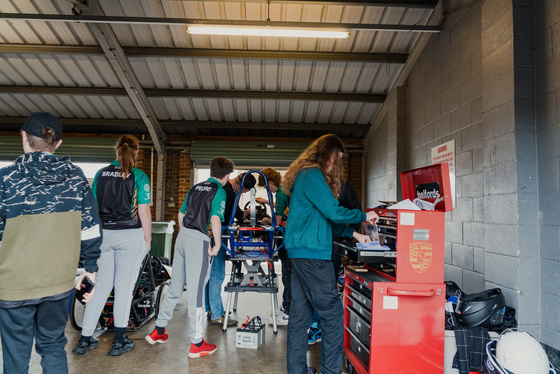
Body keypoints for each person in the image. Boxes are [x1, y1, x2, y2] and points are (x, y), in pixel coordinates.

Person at [0, 112, 102, 373]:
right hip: (59, 283)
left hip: (14, 286)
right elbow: (90, 230)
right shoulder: (77, 178)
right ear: (57, 144)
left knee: (16, 352)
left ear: (24, 137)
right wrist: (89, 272)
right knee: (53, 345)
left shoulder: (6, 179)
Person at [283, 134, 379, 374]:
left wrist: (355, 235)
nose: (338, 164)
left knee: (300, 315)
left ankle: (297, 371)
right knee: (333, 314)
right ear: (329, 154)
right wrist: (363, 216)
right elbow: (333, 211)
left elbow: (326, 219)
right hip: (313, 255)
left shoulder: (304, 176)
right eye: (338, 157)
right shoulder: (312, 175)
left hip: (300, 253)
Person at [146, 156, 234, 358]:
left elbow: (180, 214)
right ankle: (196, 343)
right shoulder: (218, 191)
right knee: (196, 292)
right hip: (198, 241)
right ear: (227, 176)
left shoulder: (196, 187)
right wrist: (217, 244)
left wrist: (185, 231)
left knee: (175, 287)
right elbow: (214, 219)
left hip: (183, 237)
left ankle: (159, 330)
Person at [73, 134, 152, 357]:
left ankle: (85, 339)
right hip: (130, 235)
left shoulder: (100, 174)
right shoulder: (139, 176)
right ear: (136, 152)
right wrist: (147, 240)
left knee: (100, 289)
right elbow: (144, 212)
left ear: (116, 150)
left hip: (104, 235)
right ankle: (118, 340)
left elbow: (93, 209)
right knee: (124, 289)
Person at [308, 180, 362, 345]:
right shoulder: (316, 185)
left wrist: (347, 234)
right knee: (315, 287)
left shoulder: (343, 187)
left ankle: (320, 328)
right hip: (314, 245)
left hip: (333, 243)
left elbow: (355, 210)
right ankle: (316, 326)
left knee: (326, 288)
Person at [206, 171, 256, 327]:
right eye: (245, 190)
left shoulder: (225, 189)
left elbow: (237, 212)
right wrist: (248, 215)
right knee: (217, 273)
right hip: (218, 232)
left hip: (211, 232)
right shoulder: (227, 191)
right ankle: (216, 314)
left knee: (211, 272)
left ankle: (211, 309)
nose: (244, 193)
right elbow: (235, 215)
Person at [255, 168, 291, 325]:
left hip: (288, 237)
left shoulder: (282, 192)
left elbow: (276, 222)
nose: (265, 189)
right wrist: (266, 201)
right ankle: (286, 306)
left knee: (288, 274)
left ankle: (288, 311)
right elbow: (281, 206)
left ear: (270, 183)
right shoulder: (285, 189)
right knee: (288, 273)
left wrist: (265, 221)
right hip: (292, 235)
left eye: (265, 186)